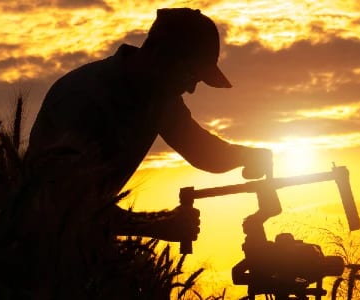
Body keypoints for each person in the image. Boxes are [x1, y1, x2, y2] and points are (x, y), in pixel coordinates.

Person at [23, 8, 273, 244]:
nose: (192, 88)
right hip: (34, 245)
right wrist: (157, 224)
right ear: (159, 56)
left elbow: (201, 150)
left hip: (83, 241)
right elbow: (70, 204)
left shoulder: (161, 98)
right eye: (190, 75)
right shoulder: (83, 99)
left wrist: (245, 155)